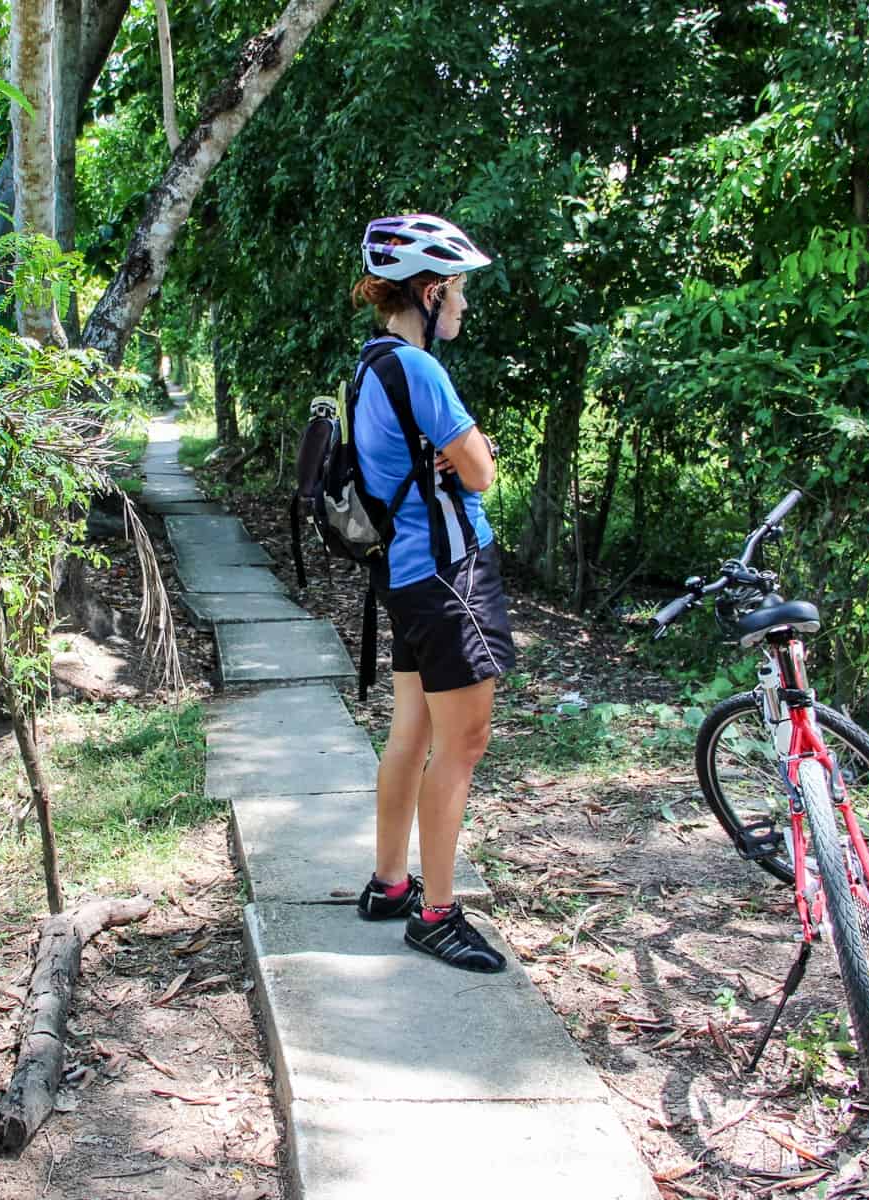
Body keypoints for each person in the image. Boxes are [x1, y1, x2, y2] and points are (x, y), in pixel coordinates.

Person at [347, 214, 515, 973]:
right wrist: (475, 454)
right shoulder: (420, 370)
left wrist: (465, 453)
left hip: (408, 577)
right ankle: (438, 916)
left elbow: (445, 459)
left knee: (411, 734)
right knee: (463, 744)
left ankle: (390, 885)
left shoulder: (371, 364)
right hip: (452, 577)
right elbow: (478, 471)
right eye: (459, 292)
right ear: (430, 289)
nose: (464, 306)